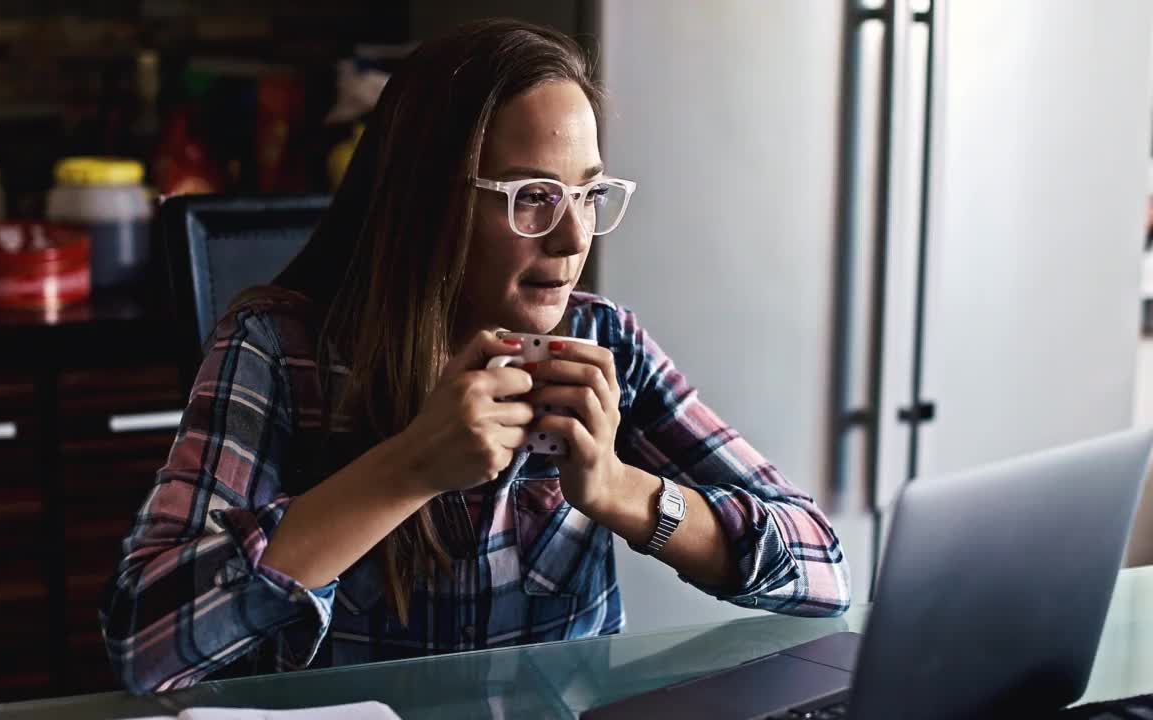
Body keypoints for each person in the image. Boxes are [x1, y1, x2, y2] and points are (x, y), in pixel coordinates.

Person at [101, 18, 851, 694]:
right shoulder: (275, 349)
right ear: (430, 198)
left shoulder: (606, 344)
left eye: (588, 196)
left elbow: (823, 570)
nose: (572, 240)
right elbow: (145, 644)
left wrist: (622, 490)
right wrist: (410, 467)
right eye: (532, 197)